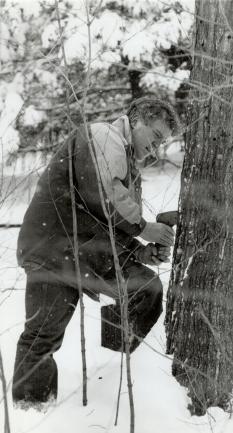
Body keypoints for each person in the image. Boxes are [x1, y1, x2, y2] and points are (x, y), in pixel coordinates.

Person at [12, 96, 180, 406]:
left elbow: (108, 223)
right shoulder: (102, 136)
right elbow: (100, 197)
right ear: (137, 121)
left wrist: (139, 253)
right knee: (42, 335)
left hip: (87, 254)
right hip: (53, 250)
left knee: (146, 290)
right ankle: (30, 406)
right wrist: (144, 229)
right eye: (155, 137)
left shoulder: (129, 165)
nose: (156, 148)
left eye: (163, 142)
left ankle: (113, 374)